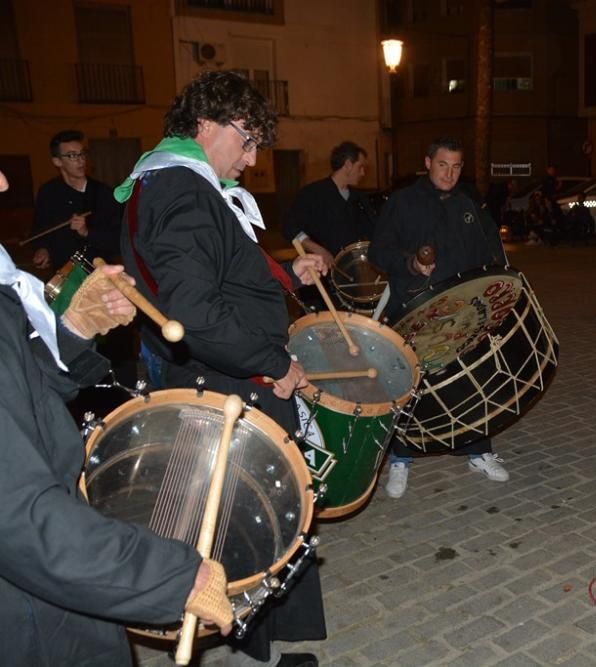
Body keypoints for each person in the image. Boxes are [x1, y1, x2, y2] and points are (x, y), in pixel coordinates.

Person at [116, 70, 327, 666]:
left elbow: (220, 265)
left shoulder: (175, 180)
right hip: (234, 383)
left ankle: (261, 647)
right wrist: (272, 364)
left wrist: (286, 272)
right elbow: (196, 309)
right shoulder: (181, 189)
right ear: (205, 125)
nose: (253, 157)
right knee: (250, 524)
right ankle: (252, 653)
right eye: (247, 139)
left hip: (226, 378)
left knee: (249, 522)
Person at [1, 208, 232, 664]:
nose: (4, 186)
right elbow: (18, 517)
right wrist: (177, 578)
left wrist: (72, 330)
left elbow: (25, 399)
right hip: (26, 611)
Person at [369, 137, 509, 498]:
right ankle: (400, 459)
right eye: (443, 164)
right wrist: (411, 263)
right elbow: (378, 251)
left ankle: (478, 451)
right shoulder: (402, 202)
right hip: (414, 307)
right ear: (428, 162)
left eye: (457, 166)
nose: (450, 173)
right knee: (411, 384)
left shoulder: (467, 203)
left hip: (462, 312)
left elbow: (488, 251)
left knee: (472, 378)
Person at [31, 130, 122, 272]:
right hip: (63, 276)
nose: (81, 160)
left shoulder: (104, 194)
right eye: (72, 155)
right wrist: (42, 249)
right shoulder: (48, 193)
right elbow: (40, 228)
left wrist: (87, 232)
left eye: (82, 153)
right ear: (57, 161)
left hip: (98, 275)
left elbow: (118, 240)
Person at [282, 140, 376, 268]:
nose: (363, 173)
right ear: (348, 165)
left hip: (352, 273)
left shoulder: (359, 198)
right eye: (360, 167)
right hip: (319, 271)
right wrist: (318, 249)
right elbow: (290, 228)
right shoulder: (312, 194)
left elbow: (373, 230)